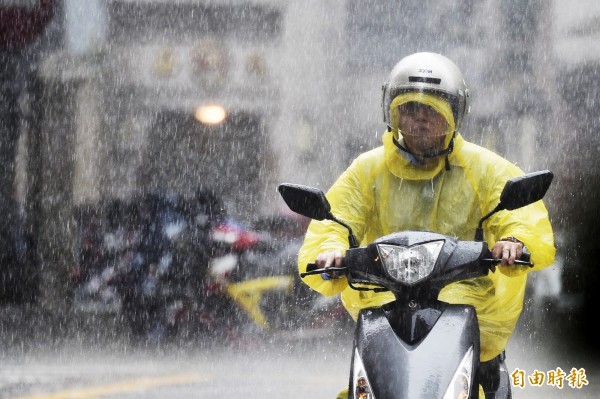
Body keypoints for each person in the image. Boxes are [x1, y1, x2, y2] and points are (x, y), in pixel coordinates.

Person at [297, 52, 555, 398]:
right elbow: (337, 217)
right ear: (392, 114)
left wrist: (513, 241)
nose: (420, 118)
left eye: (432, 110)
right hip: (385, 302)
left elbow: (519, 215)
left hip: (467, 305)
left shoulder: (484, 167)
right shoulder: (367, 170)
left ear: (453, 116)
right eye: (409, 108)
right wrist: (329, 251)